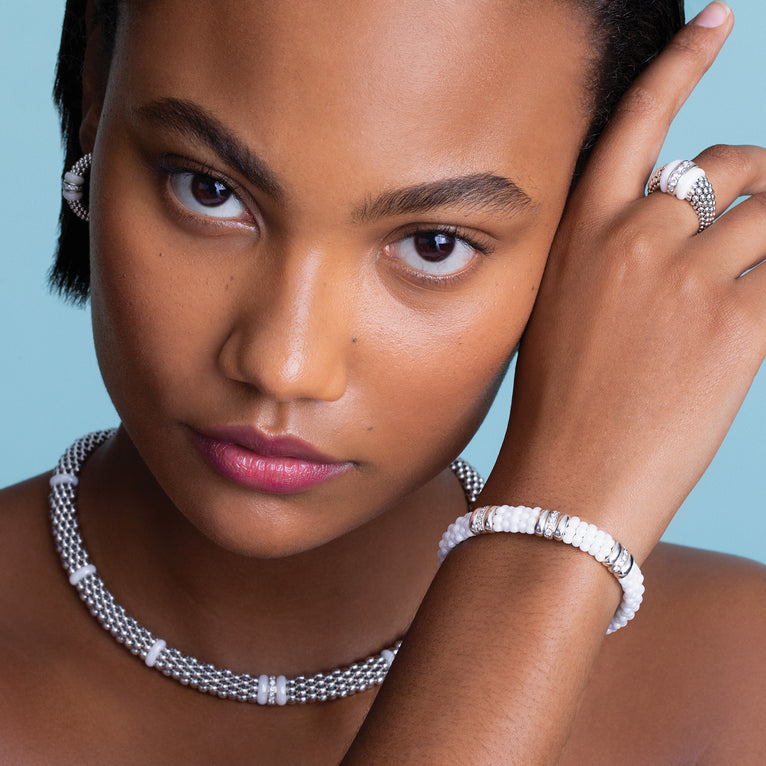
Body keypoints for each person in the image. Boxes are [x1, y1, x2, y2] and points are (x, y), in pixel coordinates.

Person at [1, 0, 764, 762]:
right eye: (209, 190)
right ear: (97, 91)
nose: (283, 364)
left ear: (590, 229)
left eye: (435, 245)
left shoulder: (739, 684)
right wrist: (550, 548)